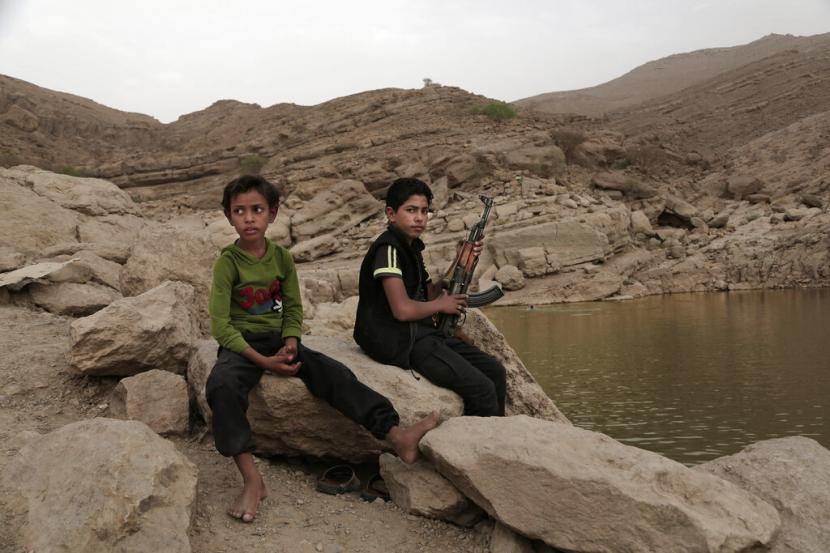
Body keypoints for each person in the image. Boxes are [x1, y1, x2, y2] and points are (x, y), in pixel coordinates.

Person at [206, 175, 438, 523]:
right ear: (228, 216)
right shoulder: (229, 262)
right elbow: (221, 326)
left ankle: (395, 435)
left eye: (257, 209)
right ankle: (252, 480)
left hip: (278, 341)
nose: (249, 218)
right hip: (242, 345)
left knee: (334, 374)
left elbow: (293, 309)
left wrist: (289, 343)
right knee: (221, 385)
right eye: (239, 211)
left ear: (273, 213)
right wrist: (262, 361)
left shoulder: (281, 258)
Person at [354, 177, 506, 417]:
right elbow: (402, 310)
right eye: (411, 210)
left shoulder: (411, 248)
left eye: (424, 211)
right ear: (391, 214)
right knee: (482, 390)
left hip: (419, 332)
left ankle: (497, 438)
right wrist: (440, 305)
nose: (419, 218)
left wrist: (460, 260)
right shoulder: (388, 250)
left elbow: (429, 293)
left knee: (496, 371)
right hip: (398, 340)